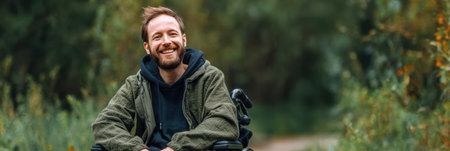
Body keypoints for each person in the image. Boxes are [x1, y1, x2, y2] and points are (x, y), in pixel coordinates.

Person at [92, 6, 239, 151]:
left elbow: (225, 121)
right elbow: (105, 124)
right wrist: (137, 149)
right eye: (157, 37)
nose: (166, 41)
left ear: (184, 40)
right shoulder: (136, 84)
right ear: (147, 47)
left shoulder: (209, 78)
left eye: (172, 34)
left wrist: (175, 148)